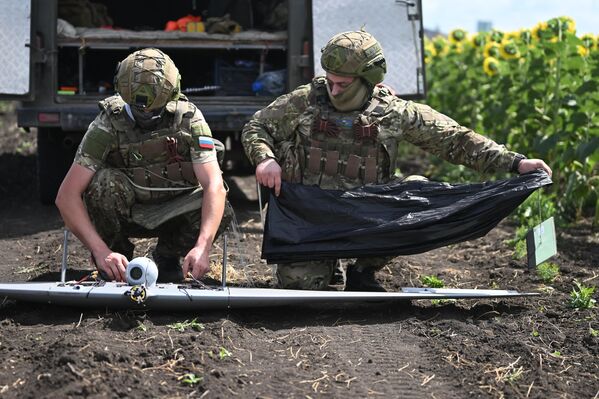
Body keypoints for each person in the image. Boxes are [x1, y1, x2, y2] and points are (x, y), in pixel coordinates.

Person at [241, 30, 552, 291]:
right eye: (330, 81)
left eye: (343, 85)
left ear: (369, 79)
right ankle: (324, 262)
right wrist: (265, 158)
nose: (333, 90)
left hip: (366, 214)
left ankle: (364, 269)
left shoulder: (393, 111)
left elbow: (455, 139)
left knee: (420, 196)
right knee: (300, 287)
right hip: (308, 215)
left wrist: (516, 163)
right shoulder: (304, 100)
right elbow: (257, 126)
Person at [56, 48, 230, 283]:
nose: (146, 115)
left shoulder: (189, 120)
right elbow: (67, 196)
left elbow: (214, 187)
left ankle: (168, 256)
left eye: (154, 110)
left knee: (222, 208)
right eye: (139, 110)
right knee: (103, 183)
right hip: (127, 210)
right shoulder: (108, 124)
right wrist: (101, 251)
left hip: (173, 210)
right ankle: (118, 255)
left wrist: (203, 247)